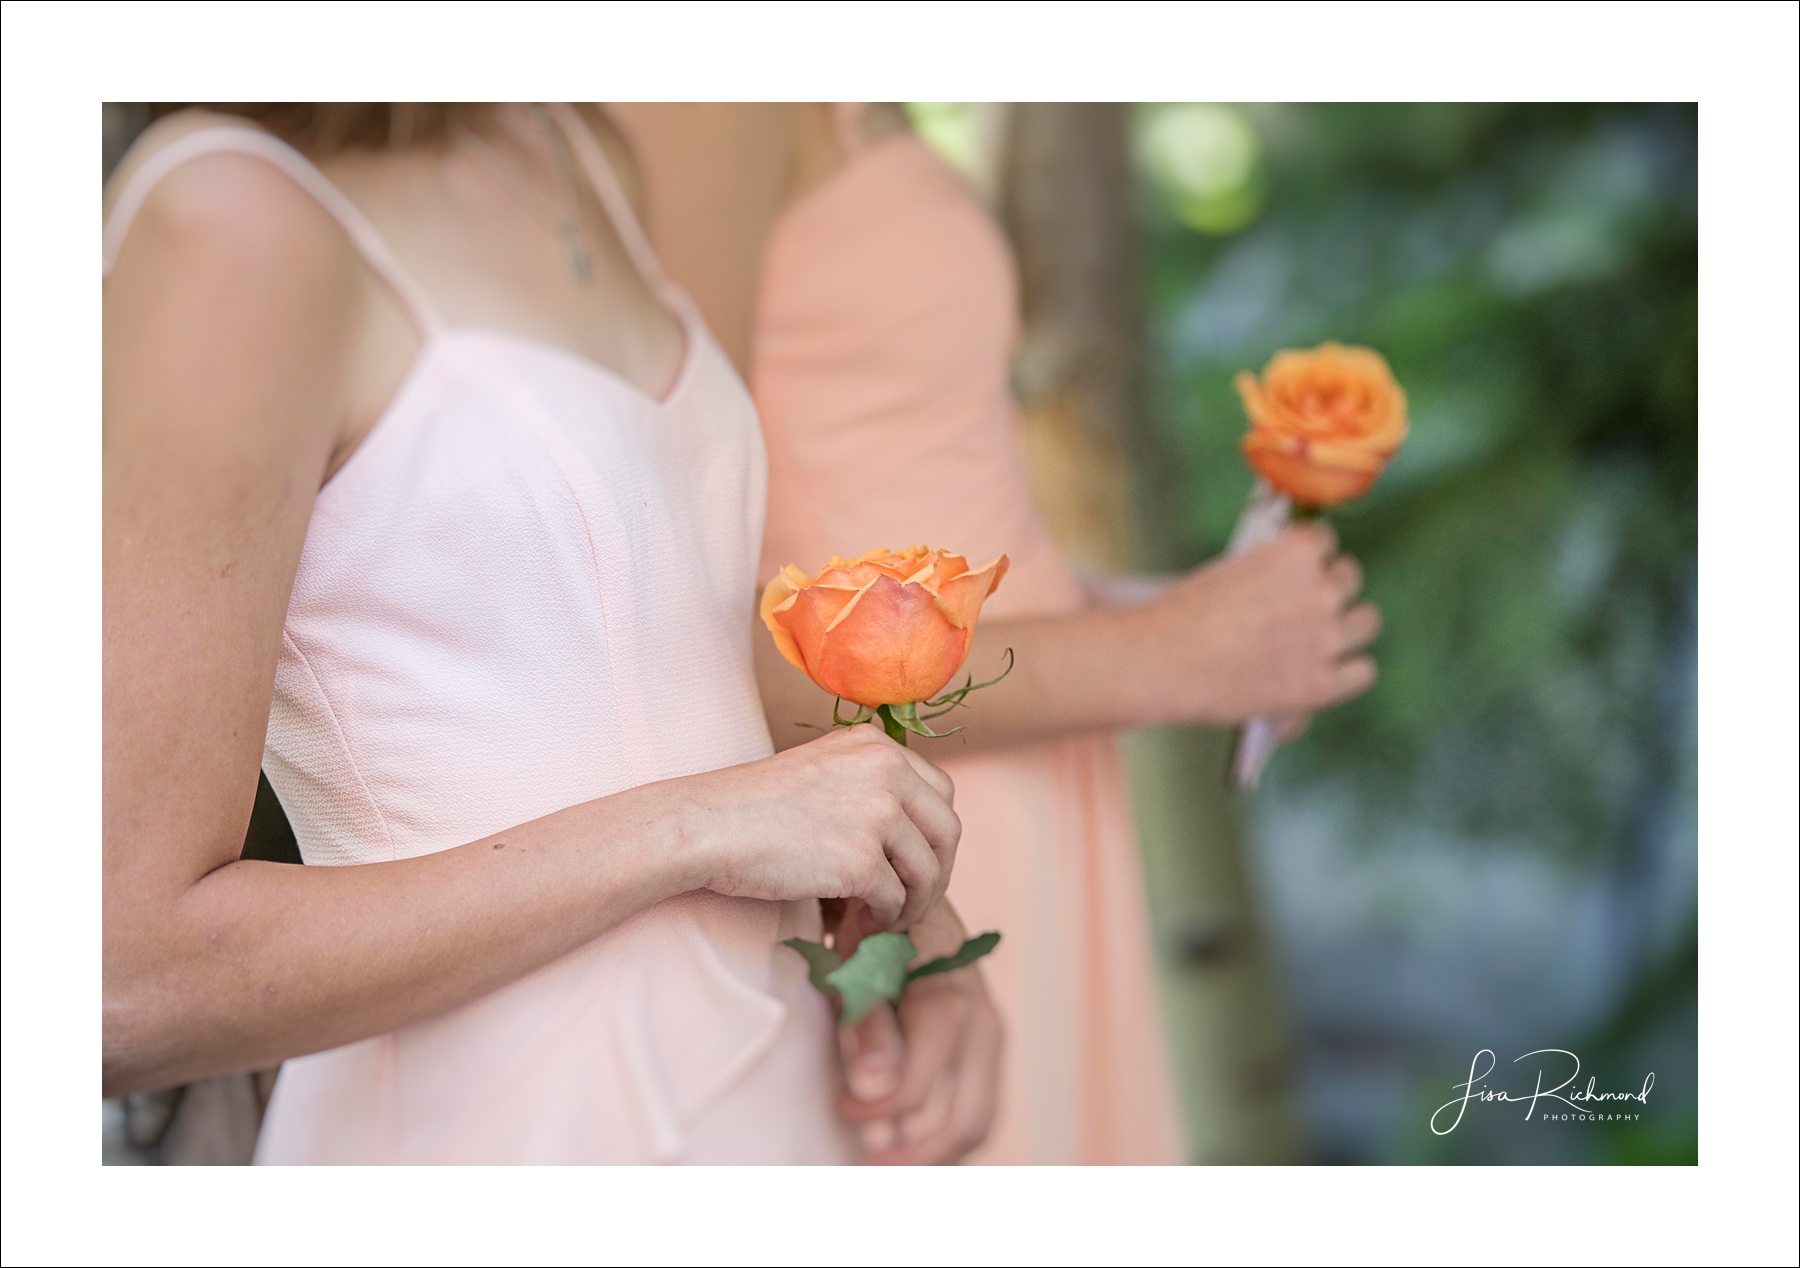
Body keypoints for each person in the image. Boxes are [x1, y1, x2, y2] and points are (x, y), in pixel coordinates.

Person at [102, 102, 998, 1164]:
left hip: (782, 1092)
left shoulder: (575, 151)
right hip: (501, 1132)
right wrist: (699, 826)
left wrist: (897, 920)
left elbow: (650, 684)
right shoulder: (235, 212)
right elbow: (123, 979)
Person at [609, 103, 1381, 1163]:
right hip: (911, 844)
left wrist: (1153, 609)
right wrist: (1172, 653)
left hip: (1033, 783)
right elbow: (679, 630)